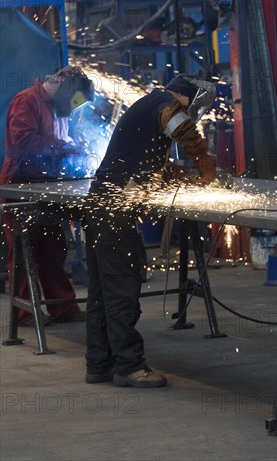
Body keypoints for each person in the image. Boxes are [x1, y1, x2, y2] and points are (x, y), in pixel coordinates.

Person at [84, 74, 217, 388]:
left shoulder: (148, 107)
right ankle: (129, 367)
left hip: (100, 205)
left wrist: (182, 174)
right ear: (190, 99)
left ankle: (99, 364)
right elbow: (180, 125)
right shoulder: (164, 104)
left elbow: (147, 165)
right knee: (122, 289)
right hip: (114, 211)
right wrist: (202, 157)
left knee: (102, 292)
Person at [0, 65, 94, 325]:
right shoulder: (26, 100)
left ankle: (63, 308)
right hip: (19, 186)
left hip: (47, 187)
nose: (73, 109)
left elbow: (61, 144)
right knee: (23, 251)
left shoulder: (59, 107)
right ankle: (25, 313)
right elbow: (23, 141)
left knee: (54, 249)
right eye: (74, 102)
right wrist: (64, 147)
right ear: (65, 90)